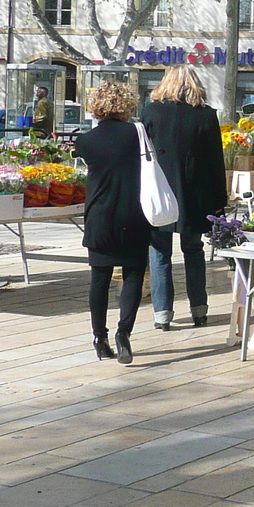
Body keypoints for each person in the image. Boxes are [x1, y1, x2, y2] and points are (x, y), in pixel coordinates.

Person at [141, 64, 228, 330]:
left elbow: (142, 155)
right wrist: (219, 201)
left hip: (160, 193)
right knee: (193, 251)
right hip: (195, 194)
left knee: (159, 253)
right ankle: (199, 309)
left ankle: (162, 315)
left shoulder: (151, 111)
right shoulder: (206, 116)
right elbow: (216, 161)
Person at [73, 81, 150, 364]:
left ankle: (99, 336)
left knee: (100, 278)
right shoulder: (137, 134)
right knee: (133, 274)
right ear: (127, 105)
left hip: (99, 215)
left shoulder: (86, 140)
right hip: (133, 212)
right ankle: (124, 334)